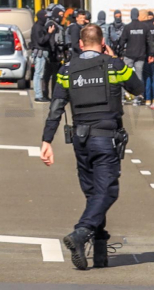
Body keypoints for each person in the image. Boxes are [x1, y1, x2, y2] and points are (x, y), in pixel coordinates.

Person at [40, 24, 144, 270]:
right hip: (105, 138)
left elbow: (56, 108)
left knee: (93, 193)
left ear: (80, 44)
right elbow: (138, 88)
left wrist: (47, 140)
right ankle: (81, 233)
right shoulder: (114, 66)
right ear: (103, 41)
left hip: (80, 140)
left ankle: (99, 253)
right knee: (107, 191)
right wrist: (116, 58)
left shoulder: (67, 71)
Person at [118, 8, 154, 103]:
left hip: (129, 55)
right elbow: (150, 42)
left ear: (131, 16)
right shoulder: (144, 27)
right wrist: (151, 54)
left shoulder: (127, 27)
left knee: (124, 76)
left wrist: (120, 53)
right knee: (139, 77)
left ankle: (122, 97)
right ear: (138, 15)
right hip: (141, 56)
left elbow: (122, 41)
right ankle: (137, 98)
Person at [31, 9, 55, 103]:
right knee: (38, 74)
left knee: (41, 74)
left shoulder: (40, 26)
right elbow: (41, 41)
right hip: (40, 53)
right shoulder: (37, 27)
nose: (46, 19)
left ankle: (40, 94)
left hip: (42, 53)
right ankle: (38, 95)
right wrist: (49, 33)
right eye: (45, 17)